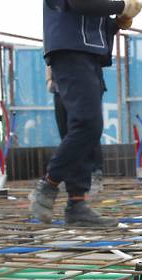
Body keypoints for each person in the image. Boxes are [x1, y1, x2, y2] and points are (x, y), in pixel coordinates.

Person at [30, 0, 142, 226]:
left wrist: (118, 22)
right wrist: (121, 6)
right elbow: (81, 4)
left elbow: (95, 23)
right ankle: (49, 184)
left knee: (82, 129)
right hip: (71, 52)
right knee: (87, 124)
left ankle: (77, 204)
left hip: (86, 55)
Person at [46, 66, 104, 196]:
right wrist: (49, 79)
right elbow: (49, 56)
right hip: (61, 87)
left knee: (88, 129)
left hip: (85, 84)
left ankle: (95, 173)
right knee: (67, 133)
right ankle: (71, 179)